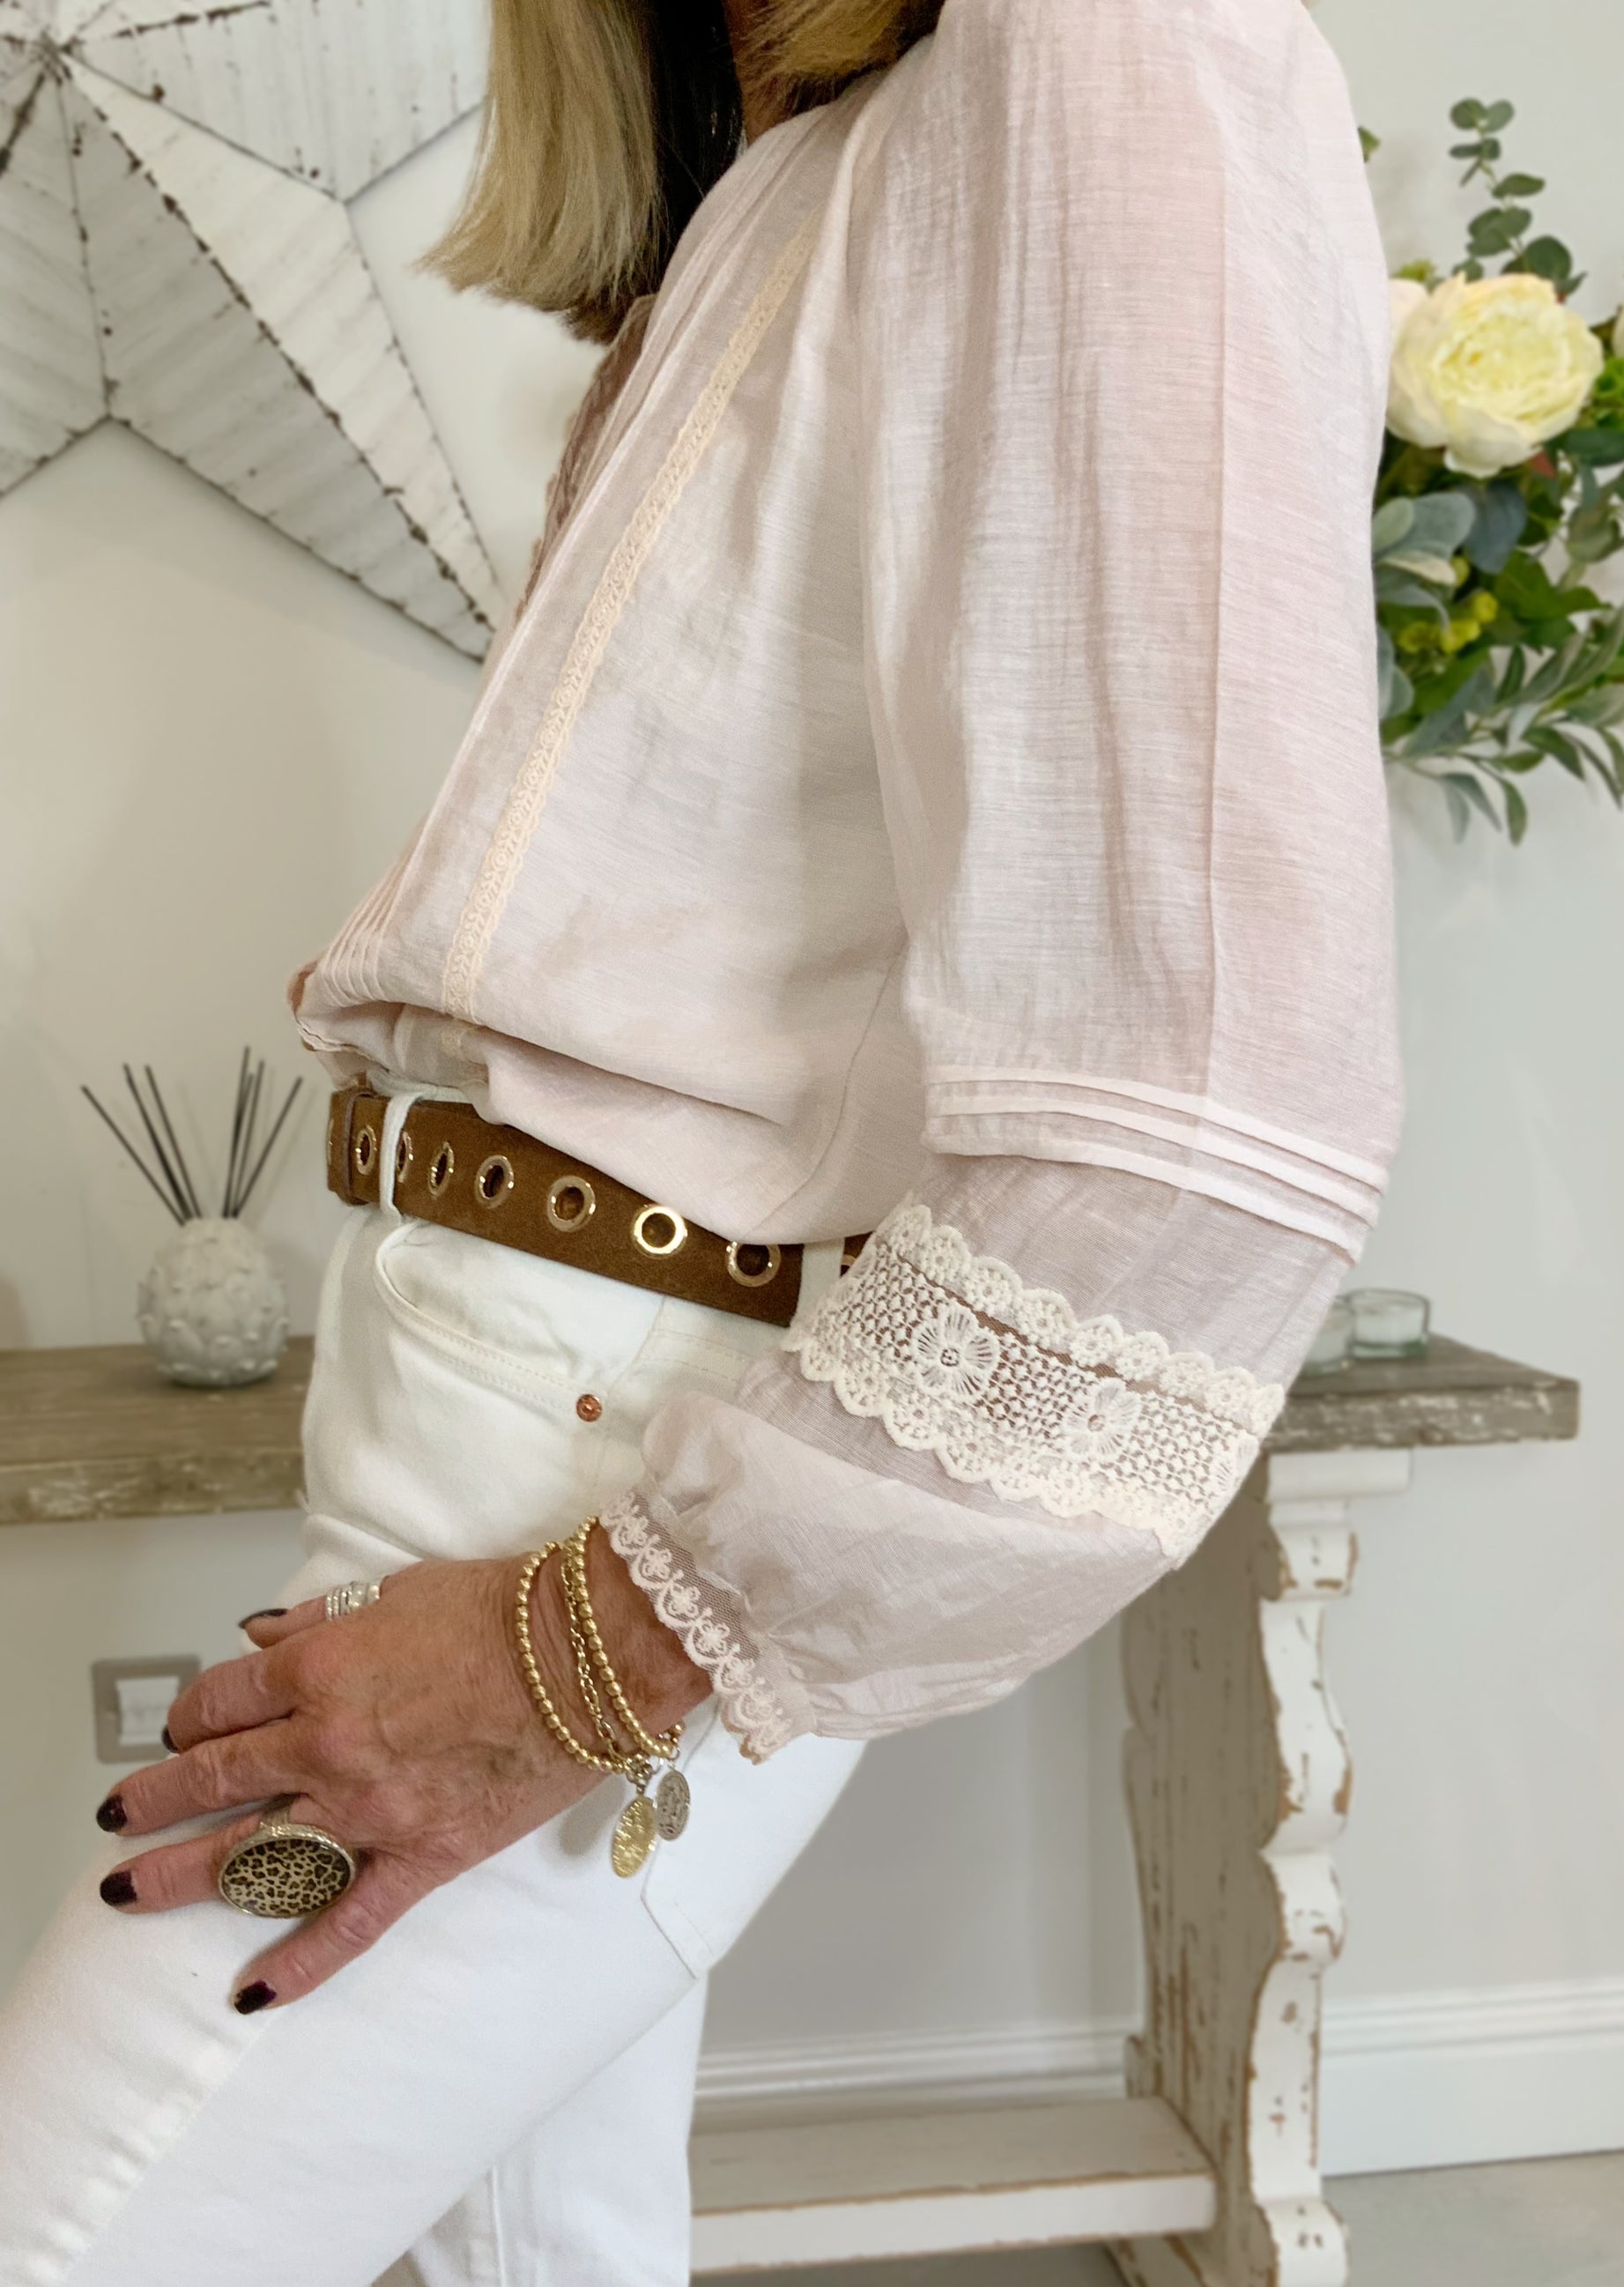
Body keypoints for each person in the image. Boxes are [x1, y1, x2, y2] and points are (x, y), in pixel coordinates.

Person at [0, 0, 1402, 2279]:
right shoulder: (793, 147)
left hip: (608, 1450)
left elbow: (1199, 1104)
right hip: (492, 1382)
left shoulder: (1104, 49)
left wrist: (599, 1645)